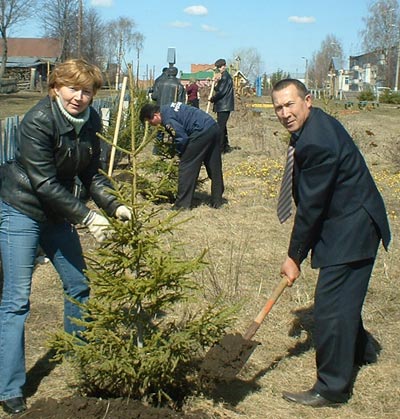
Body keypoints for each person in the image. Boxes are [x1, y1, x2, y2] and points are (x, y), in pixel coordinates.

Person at [0, 58, 132, 415]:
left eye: (87, 90)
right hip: (22, 207)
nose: (80, 97)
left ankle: (81, 357)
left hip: (58, 212)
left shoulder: (90, 121)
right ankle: (10, 386)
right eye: (73, 88)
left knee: (79, 285)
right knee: (16, 300)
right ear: (55, 88)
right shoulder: (38, 120)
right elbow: (42, 182)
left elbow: (92, 174)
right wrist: (88, 217)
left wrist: (114, 207)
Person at [271, 78, 391, 407]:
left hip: (353, 226)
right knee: (343, 299)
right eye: (278, 107)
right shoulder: (312, 128)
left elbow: (312, 207)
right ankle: (361, 351)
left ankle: (331, 388)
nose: (284, 113)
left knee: (330, 308)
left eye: (290, 104)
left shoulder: (317, 141)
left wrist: (294, 256)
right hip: (348, 220)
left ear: (307, 101)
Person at [140, 102, 224, 210]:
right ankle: (217, 200)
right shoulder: (167, 107)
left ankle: (182, 205)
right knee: (214, 164)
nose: (153, 125)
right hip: (213, 126)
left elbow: (182, 138)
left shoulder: (167, 119)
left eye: (150, 122)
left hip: (201, 131)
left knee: (187, 166)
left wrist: (180, 153)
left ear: (156, 115)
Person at [209, 58, 235, 154]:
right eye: (218, 68)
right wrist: (214, 84)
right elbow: (219, 88)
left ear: (224, 66)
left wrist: (212, 99)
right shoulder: (225, 77)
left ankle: (220, 149)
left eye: (221, 67)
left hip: (224, 105)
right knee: (223, 127)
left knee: (220, 128)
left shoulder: (225, 77)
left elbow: (221, 92)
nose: (220, 69)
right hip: (224, 105)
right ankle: (225, 146)